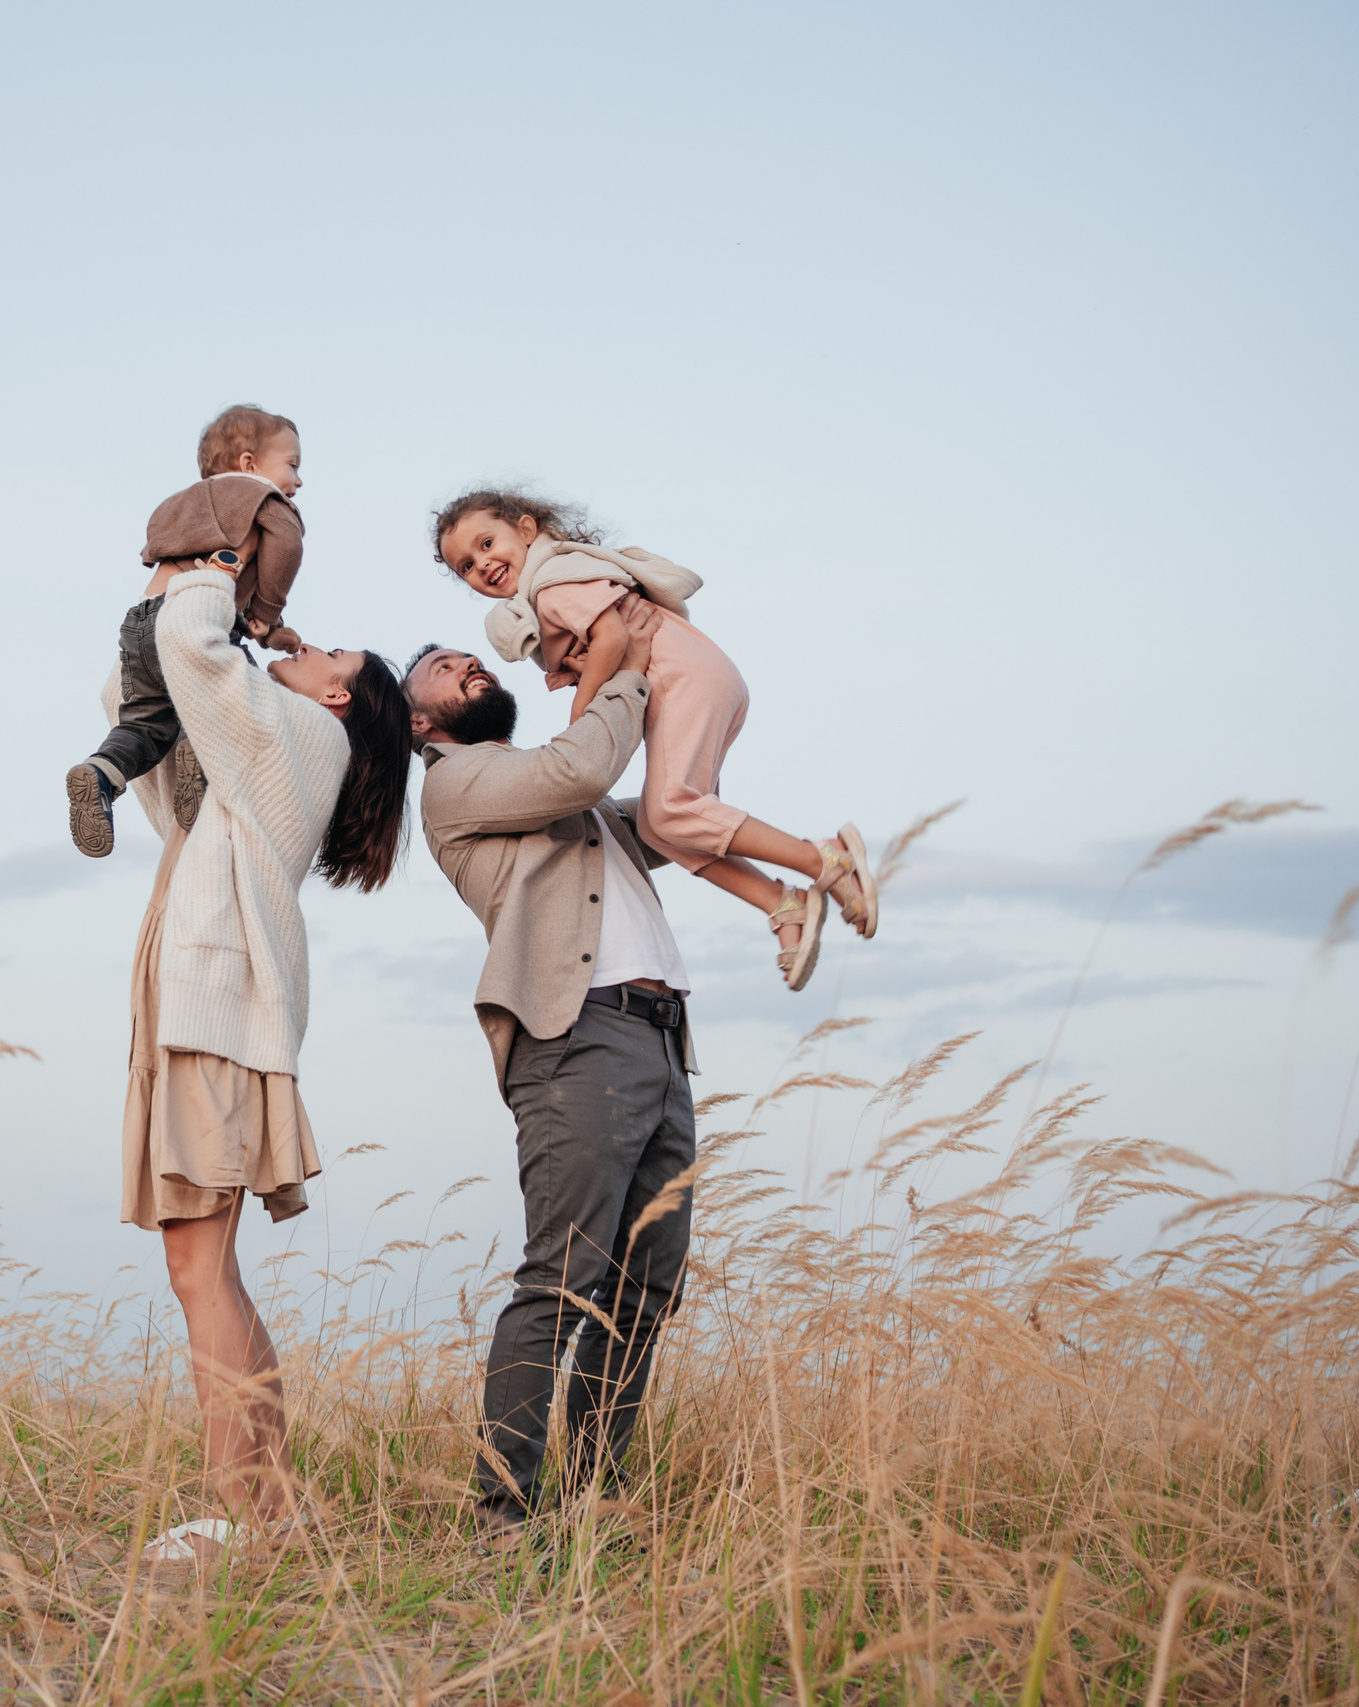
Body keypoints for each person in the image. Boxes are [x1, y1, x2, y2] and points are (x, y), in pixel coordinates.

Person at [111, 554, 413, 1565]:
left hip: (218, 1019)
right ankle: (269, 1510)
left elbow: (194, 653)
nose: (306, 644)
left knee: (197, 1266)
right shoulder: (256, 755)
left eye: (328, 652)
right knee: (208, 1267)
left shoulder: (306, 735)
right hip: (208, 1015)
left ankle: (238, 1516)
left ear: (338, 695)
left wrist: (207, 571)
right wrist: (167, 603)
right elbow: (150, 700)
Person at [404, 603, 695, 1550]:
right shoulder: (459, 784)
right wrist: (616, 666)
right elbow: (582, 762)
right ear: (421, 722)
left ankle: (593, 1499)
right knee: (562, 1282)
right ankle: (503, 1520)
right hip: (577, 1039)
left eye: (470, 659)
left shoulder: (556, 795)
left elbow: (666, 817)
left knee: (644, 1289)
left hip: (658, 1038)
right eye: (447, 670)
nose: (468, 668)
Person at [435, 488, 878, 991]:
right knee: (661, 828)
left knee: (673, 807)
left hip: (683, 680)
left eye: (488, 543)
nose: (483, 564)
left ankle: (825, 859)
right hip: (697, 679)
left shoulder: (553, 583)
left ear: (528, 530)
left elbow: (615, 638)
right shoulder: (551, 588)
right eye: (466, 566)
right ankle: (781, 901)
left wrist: (581, 722)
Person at [68, 405, 309, 858]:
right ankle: (200, 762)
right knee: (255, 698)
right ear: (249, 464)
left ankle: (101, 774)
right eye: (292, 465)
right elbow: (286, 542)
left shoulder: (183, 503)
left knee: (146, 725)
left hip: (142, 621)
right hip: (198, 612)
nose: (298, 482)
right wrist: (267, 615)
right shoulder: (263, 498)